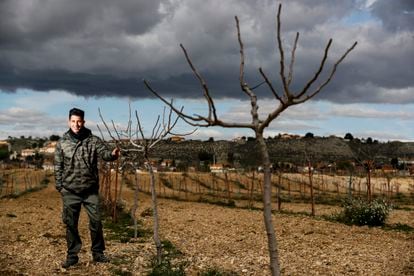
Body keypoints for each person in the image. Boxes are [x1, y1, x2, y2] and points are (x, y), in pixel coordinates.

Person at [54, 107, 119, 268]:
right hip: (70, 191)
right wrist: (60, 187)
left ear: (83, 122)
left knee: (96, 222)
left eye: (79, 121)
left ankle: (98, 253)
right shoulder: (62, 143)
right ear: (69, 121)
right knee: (71, 224)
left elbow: (104, 153)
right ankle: (72, 256)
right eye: (73, 121)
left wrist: (112, 155)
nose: (76, 124)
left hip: (90, 191)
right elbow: (58, 167)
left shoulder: (93, 140)